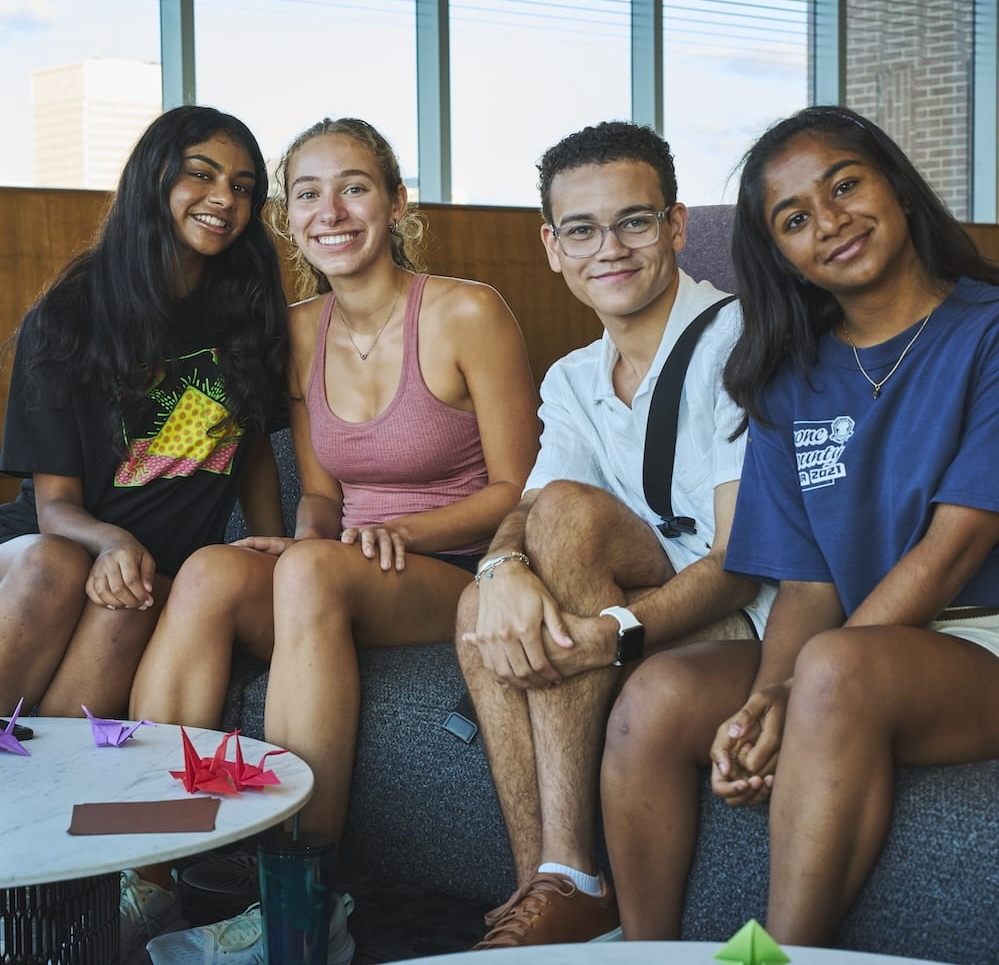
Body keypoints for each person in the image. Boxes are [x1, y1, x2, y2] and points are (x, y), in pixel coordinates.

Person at [129, 116, 538, 962]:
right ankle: (147, 872)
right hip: (346, 563)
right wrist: (300, 541)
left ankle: (300, 905)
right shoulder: (299, 329)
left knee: (313, 574)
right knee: (212, 570)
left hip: (458, 567)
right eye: (307, 193)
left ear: (394, 201)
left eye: (353, 187)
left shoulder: (467, 312)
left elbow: (518, 490)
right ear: (288, 217)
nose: (332, 211)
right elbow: (318, 494)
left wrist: (392, 531)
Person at [601, 105, 999, 947]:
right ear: (779, 253)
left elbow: (955, 543)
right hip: (854, 638)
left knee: (833, 670)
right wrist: (758, 706)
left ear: (892, 181)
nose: (830, 222)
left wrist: (798, 686)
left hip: (980, 640)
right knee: (657, 695)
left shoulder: (988, 331)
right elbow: (808, 581)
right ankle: (646, 951)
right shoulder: (790, 379)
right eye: (794, 219)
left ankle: (776, 956)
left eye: (844, 184)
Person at [454, 120, 774, 949]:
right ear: (552, 246)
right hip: (655, 584)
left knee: (564, 517)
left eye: (633, 221)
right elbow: (521, 513)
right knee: (480, 607)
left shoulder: (740, 339)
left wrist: (612, 632)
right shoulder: (572, 376)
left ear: (674, 225)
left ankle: (571, 875)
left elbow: (739, 563)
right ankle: (547, 889)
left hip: (755, 617)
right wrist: (502, 570)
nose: (610, 248)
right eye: (582, 229)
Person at [0, 104, 288, 722]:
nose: (224, 198)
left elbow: (255, 448)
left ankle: (39, 793)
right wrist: (112, 541)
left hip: (152, 576)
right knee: (58, 564)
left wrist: (273, 551)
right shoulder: (67, 318)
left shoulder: (252, 313)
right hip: (55, 545)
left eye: (243, 187)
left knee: (133, 596)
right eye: (201, 175)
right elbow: (53, 507)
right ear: (153, 179)